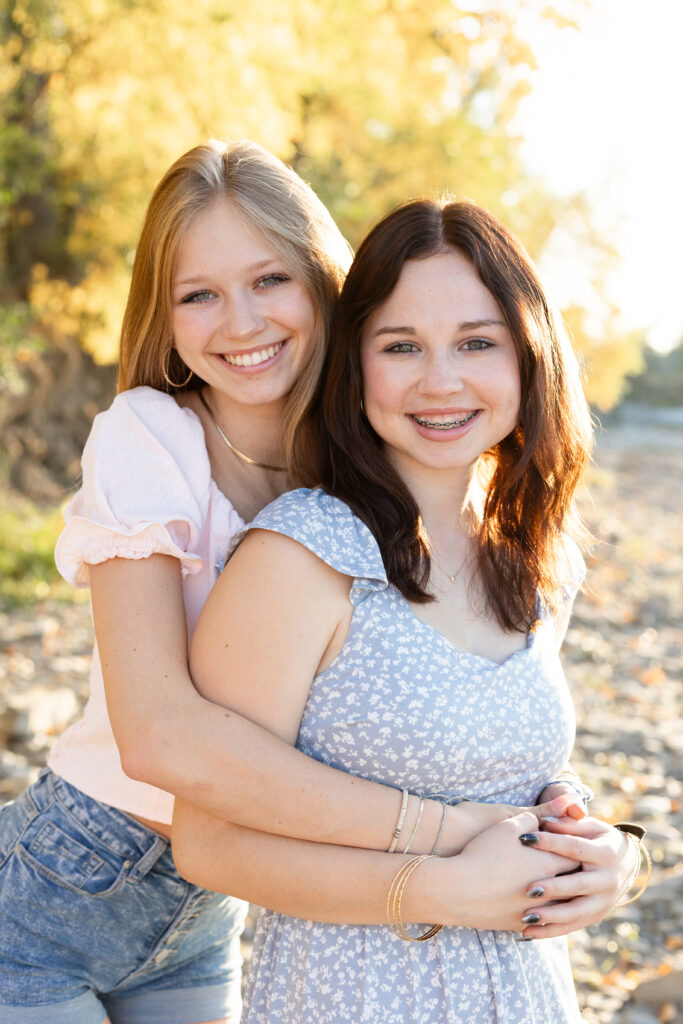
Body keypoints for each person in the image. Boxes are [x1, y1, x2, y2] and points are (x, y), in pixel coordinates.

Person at [0, 143, 586, 1024]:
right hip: (69, 884)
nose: (240, 323)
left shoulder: (365, 450)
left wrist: (584, 838)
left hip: (211, 913)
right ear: (162, 317)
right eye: (198, 295)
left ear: (324, 284)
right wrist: (446, 833)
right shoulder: (151, 438)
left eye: (270, 281)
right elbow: (159, 738)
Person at [171, 198, 646, 1024]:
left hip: (528, 996)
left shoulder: (531, 555)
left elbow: (512, 775)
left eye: (475, 342)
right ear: (356, 369)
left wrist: (608, 857)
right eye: (401, 347)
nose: (440, 380)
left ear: (529, 357)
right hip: (355, 999)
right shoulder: (300, 555)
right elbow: (209, 845)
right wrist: (443, 891)